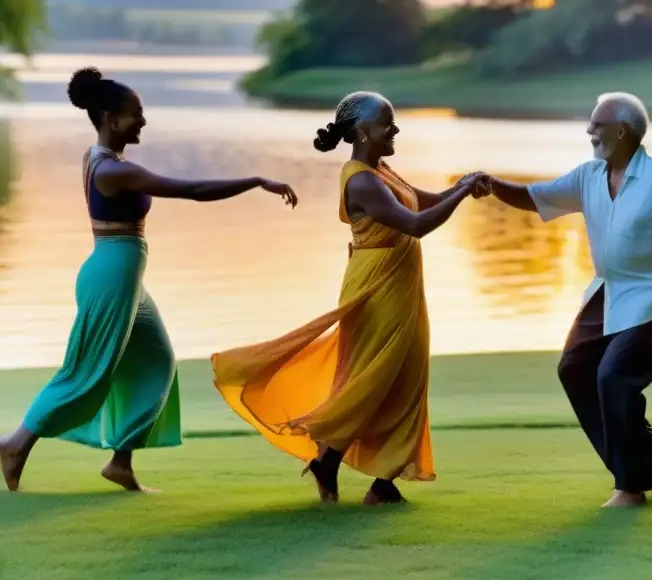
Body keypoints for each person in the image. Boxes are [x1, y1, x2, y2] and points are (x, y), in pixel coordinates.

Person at [0, 67, 298, 494]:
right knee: (84, 373)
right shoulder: (114, 171)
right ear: (109, 118)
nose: (142, 121)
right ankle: (15, 445)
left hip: (125, 278)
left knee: (156, 361)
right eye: (134, 114)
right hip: (112, 277)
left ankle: (120, 462)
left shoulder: (104, 158)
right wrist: (254, 180)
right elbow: (192, 190)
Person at [211, 91, 488, 505]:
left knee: (404, 376)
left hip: (404, 284)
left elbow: (419, 201)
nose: (394, 130)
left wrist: (458, 186)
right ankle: (334, 459)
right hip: (377, 288)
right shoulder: (360, 179)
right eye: (386, 124)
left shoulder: (381, 169)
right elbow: (415, 224)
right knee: (373, 377)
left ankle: (380, 482)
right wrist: (462, 192)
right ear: (361, 131)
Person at [481, 92, 652, 508]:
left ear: (621, 131)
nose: (590, 131)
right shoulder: (589, 176)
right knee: (574, 369)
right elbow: (537, 196)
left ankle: (630, 486)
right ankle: (645, 454)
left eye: (597, 124)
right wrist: (489, 185)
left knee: (612, 377)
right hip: (607, 290)